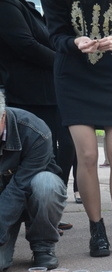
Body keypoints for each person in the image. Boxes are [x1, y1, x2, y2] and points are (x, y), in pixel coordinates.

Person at [42, 0, 112, 257]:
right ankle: (96, 230)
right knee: (88, 155)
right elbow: (56, 37)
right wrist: (75, 42)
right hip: (73, 80)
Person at [0, 0, 76, 231]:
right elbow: (25, 45)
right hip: (28, 95)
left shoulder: (30, 6)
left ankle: (50, 210)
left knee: (65, 149)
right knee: (44, 156)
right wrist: (64, 63)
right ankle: (38, 216)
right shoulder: (8, 5)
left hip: (51, 92)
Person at [0, 92, 66, 272]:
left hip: (31, 193)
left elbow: (20, 187)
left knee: (46, 184)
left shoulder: (35, 130)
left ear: (3, 116)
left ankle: (43, 247)